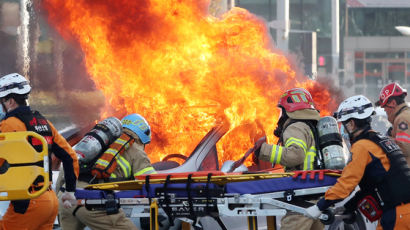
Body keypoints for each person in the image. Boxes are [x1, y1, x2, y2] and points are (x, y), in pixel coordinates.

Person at [306, 95, 410, 230]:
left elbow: (347, 183)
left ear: (352, 123)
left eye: (344, 124)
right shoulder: (382, 140)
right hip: (403, 209)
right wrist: (348, 207)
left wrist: (320, 206)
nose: (343, 128)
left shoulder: (362, 146)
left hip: (398, 214)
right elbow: (372, 186)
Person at [0, 73, 79, 229]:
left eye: (2, 101)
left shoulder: (8, 125)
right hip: (50, 201)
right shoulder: (44, 122)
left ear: (10, 101)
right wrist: (70, 190)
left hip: (27, 201)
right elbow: (70, 156)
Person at [58, 113, 157, 230]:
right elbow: (152, 183)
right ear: (143, 136)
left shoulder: (99, 142)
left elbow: (64, 171)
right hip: (91, 200)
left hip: (64, 197)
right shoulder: (135, 149)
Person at [253, 88, 323, 230]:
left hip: (302, 195)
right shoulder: (311, 126)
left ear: (290, 109)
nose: (280, 115)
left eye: (282, 110)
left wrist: (264, 150)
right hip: (316, 194)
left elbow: (295, 155)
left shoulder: (296, 127)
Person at [375, 82, 410, 166]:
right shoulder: (405, 114)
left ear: (393, 103)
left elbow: (405, 147)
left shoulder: (402, 119)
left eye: (385, 106)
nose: (385, 110)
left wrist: (384, 140)